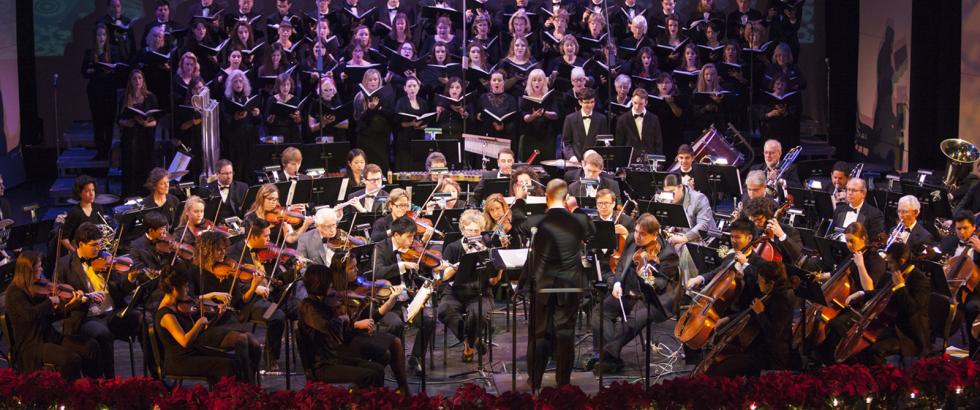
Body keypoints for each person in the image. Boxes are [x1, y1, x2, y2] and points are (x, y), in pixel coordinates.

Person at [523, 179, 594, 390]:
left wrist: (519, 200)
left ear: (546, 197)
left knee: (539, 334)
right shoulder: (578, 221)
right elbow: (592, 230)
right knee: (565, 334)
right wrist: (575, 208)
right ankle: (563, 384)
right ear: (566, 198)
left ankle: (534, 381)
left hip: (543, 285)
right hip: (568, 285)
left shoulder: (537, 221)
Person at [593, 213, 678, 373]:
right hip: (628, 291)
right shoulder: (632, 239)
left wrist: (648, 277)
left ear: (655, 234)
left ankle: (606, 357)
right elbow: (621, 265)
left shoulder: (668, 254)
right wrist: (617, 282)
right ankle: (611, 356)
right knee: (600, 311)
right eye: (637, 231)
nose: (637, 236)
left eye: (642, 234)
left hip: (652, 299)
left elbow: (661, 284)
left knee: (632, 320)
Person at [297, 262, 398, 390]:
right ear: (320, 283)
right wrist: (342, 319)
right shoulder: (308, 306)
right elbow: (327, 327)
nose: (331, 284)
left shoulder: (322, 301)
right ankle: (362, 402)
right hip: (321, 365)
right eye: (328, 281)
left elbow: (342, 329)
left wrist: (353, 321)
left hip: (333, 358)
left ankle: (361, 400)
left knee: (377, 369)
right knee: (371, 374)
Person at [5, 251, 99, 379]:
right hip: (32, 344)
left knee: (90, 346)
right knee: (71, 359)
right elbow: (29, 315)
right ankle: (72, 395)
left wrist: (72, 303)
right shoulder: (15, 292)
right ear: (29, 270)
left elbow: (54, 315)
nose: (42, 269)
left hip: (50, 336)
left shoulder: (38, 287)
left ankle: (94, 387)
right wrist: (49, 302)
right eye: (39, 267)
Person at [54, 222, 128, 378]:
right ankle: (109, 380)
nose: (98, 249)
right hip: (85, 318)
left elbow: (121, 289)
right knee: (103, 334)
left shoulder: (104, 260)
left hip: (112, 313)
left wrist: (131, 280)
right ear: (81, 244)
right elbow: (61, 305)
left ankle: (156, 377)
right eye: (94, 245)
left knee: (141, 320)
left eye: (99, 245)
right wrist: (85, 298)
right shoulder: (64, 265)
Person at [155, 265, 247, 383]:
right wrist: (198, 323)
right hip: (180, 361)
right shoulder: (166, 314)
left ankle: (243, 393)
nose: (188, 290)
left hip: (193, 352)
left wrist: (217, 316)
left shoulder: (179, 305)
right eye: (186, 286)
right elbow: (184, 341)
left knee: (236, 360)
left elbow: (201, 331)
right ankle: (227, 396)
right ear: (174, 288)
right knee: (228, 365)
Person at [370, 215, 437, 375]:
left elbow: (421, 273)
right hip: (387, 303)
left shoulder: (412, 249)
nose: (412, 241)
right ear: (396, 235)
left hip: (408, 300)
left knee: (429, 320)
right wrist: (402, 265)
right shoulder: (380, 248)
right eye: (409, 237)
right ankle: (394, 359)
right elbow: (377, 271)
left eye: (413, 237)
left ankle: (415, 357)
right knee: (396, 324)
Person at [705, 260, 795, 376]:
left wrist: (760, 313)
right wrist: (728, 319)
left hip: (771, 356)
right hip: (756, 349)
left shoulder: (782, 302)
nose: (758, 283)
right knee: (720, 366)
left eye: (760, 280)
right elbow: (749, 312)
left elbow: (774, 336)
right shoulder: (768, 294)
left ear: (771, 283)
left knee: (720, 370)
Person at [816, 222, 888, 365]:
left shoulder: (876, 261)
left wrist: (860, 265)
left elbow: (869, 288)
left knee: (836, 324)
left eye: (852, 241)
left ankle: (830, 362)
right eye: (847, 241)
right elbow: (836, 273)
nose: (849, 244)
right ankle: (816, 355)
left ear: (863, 238)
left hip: (862, 305)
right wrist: (819, 276)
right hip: (846, 302)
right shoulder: (852, 255)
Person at [436, 210, 502, 362]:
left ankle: (469, 345)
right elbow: (442, 277)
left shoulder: (486, 247)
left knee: (478, 314)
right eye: (469, 230)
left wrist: (499, 269)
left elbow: (493, 281)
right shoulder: (452, 247)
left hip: (479, 291)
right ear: (462, 230)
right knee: (444, 310)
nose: (473, 234)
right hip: (454, 292)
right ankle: (472, 340)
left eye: (477, 230)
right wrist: (457, 266)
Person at [858, 242, 930, 364]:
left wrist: (901, 287)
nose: (888, 265)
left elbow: (912, 309)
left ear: (901, 261)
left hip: (909, 334)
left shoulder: (920, 280)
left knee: (874, 351)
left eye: (891, 262)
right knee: (863, 347)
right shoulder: (898, 273)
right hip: (892, 326)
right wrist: (862, 293)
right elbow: (884, 292)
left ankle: (887, 379)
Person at [940, 210, 980, 354]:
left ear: (974, 227)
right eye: (959, 229)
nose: (962, 232)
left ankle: (973, 352)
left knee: (972, 308)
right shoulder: (950, 242)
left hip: (974, 291)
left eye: (965, 228)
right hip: (951, 287)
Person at [83, 23, 124, 160]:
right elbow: (84, 71)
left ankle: (107, 150)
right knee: (98, 121)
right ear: (95, 36)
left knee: (108, 122)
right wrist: (92, 71)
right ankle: (100, 150)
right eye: (99, 35)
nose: (101, 38)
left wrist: (107, 70)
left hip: (109, 90)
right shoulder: (90, 52)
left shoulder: (113, 50)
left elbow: (119, 69)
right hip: (95, 91)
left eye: (104, 35)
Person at [116, 70, 159, 196]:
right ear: (130, 81)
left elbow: (155, 120)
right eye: (134, 79)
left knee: (145, 166)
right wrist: (126, 123)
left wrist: (146, 124)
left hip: (145, 137)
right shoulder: (125, 97)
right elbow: (119, 120)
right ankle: (129, 195)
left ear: (143, 80)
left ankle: (146, 195)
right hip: (130, 137)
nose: (137, 81)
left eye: (140, 78)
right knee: (130, 166)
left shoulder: (150, 97)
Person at [220, 69, 261, 180]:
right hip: (235, 140)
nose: (238, 84)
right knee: (238, 168)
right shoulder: (226, 100)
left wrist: (257, 114)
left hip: (249, 138)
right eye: (235, 82)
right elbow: (225, 123)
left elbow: (257, 122)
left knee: (250, 167)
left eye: (240, 81)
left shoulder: (249, 97)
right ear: (230, 84)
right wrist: (235, 118)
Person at [353, 68, 396, 171]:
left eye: (375, 79)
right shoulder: (359, 97)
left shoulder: (386, 95)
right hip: (366, 138)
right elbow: (359, 120)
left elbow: (391, 115)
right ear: (365, 81)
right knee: (368, 168)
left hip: (382, 137)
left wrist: (379, 108)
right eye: (370, 80)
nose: (373, 82)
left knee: (382, 167)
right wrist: (370, 110)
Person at [243, 183, 314, 245]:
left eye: (276, 199)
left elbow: (290, 238)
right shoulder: (251, 218)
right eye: (270, 199)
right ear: (261, 198)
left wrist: (305, 226)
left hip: (280, 254)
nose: (274, 202)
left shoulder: (279, 215)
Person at [519, 69, 560, 161]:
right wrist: (533, 115)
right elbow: (524, 117)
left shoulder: (550, 95)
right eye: (534, 80)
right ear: (530, 82)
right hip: (530, 134)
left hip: (547, 135)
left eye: (540, 80)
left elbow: (556, 114)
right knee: (531, 164)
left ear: (544, 81)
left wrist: (544, 113)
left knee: (548, 163)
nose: (537, 82)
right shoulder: (525, 95)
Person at [60, 175, 107, 254]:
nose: (91, 194)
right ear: (79, 193)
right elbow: (64, 238)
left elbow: (102, 232)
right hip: (81, 254)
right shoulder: (75, 212)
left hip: (96, 251)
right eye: (87, 191)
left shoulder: (98, 208)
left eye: (93, 190)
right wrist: (76, 252)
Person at [615, 88, 664, 162]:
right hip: (630, 161)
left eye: (641, 104)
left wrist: (659, 162)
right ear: (631, 100)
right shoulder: (622, 119)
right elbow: (620, 144)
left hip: (650, 160)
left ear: (646, 103)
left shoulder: (654, 119)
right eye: (635, 103)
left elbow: (658, 143)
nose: (637, 107)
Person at [561, 88, 609, 162]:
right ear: (580, 102)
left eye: (592, 102)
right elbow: (566, 142)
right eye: (586, 102)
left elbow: (603, 142)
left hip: (594, 162)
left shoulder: (602, 119)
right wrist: (571, 157)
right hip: (576, 162)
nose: (590, 105)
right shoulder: (570, 119)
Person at [394, 77, 430, 171]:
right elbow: (397, 123)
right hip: (405, 140)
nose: (412, 88)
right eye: (409, 86)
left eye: (414, 86)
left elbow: (428, 121)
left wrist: (422, 126)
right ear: (405, 88)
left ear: (418, 87)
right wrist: (411, 124)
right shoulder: (401, 102)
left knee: (418, 167)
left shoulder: (423, 102)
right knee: (406, 167)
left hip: (419, 139)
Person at [264, 73, 304, 143]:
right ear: (278, 86)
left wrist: (297, 118)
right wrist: (272, 117)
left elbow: (299, 121)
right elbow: (267, 121)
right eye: (283, 85)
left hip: (292, 132)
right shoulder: (271, 99)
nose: (286, 87)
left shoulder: (295, 99)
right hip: (276, 132)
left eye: (288, 84)